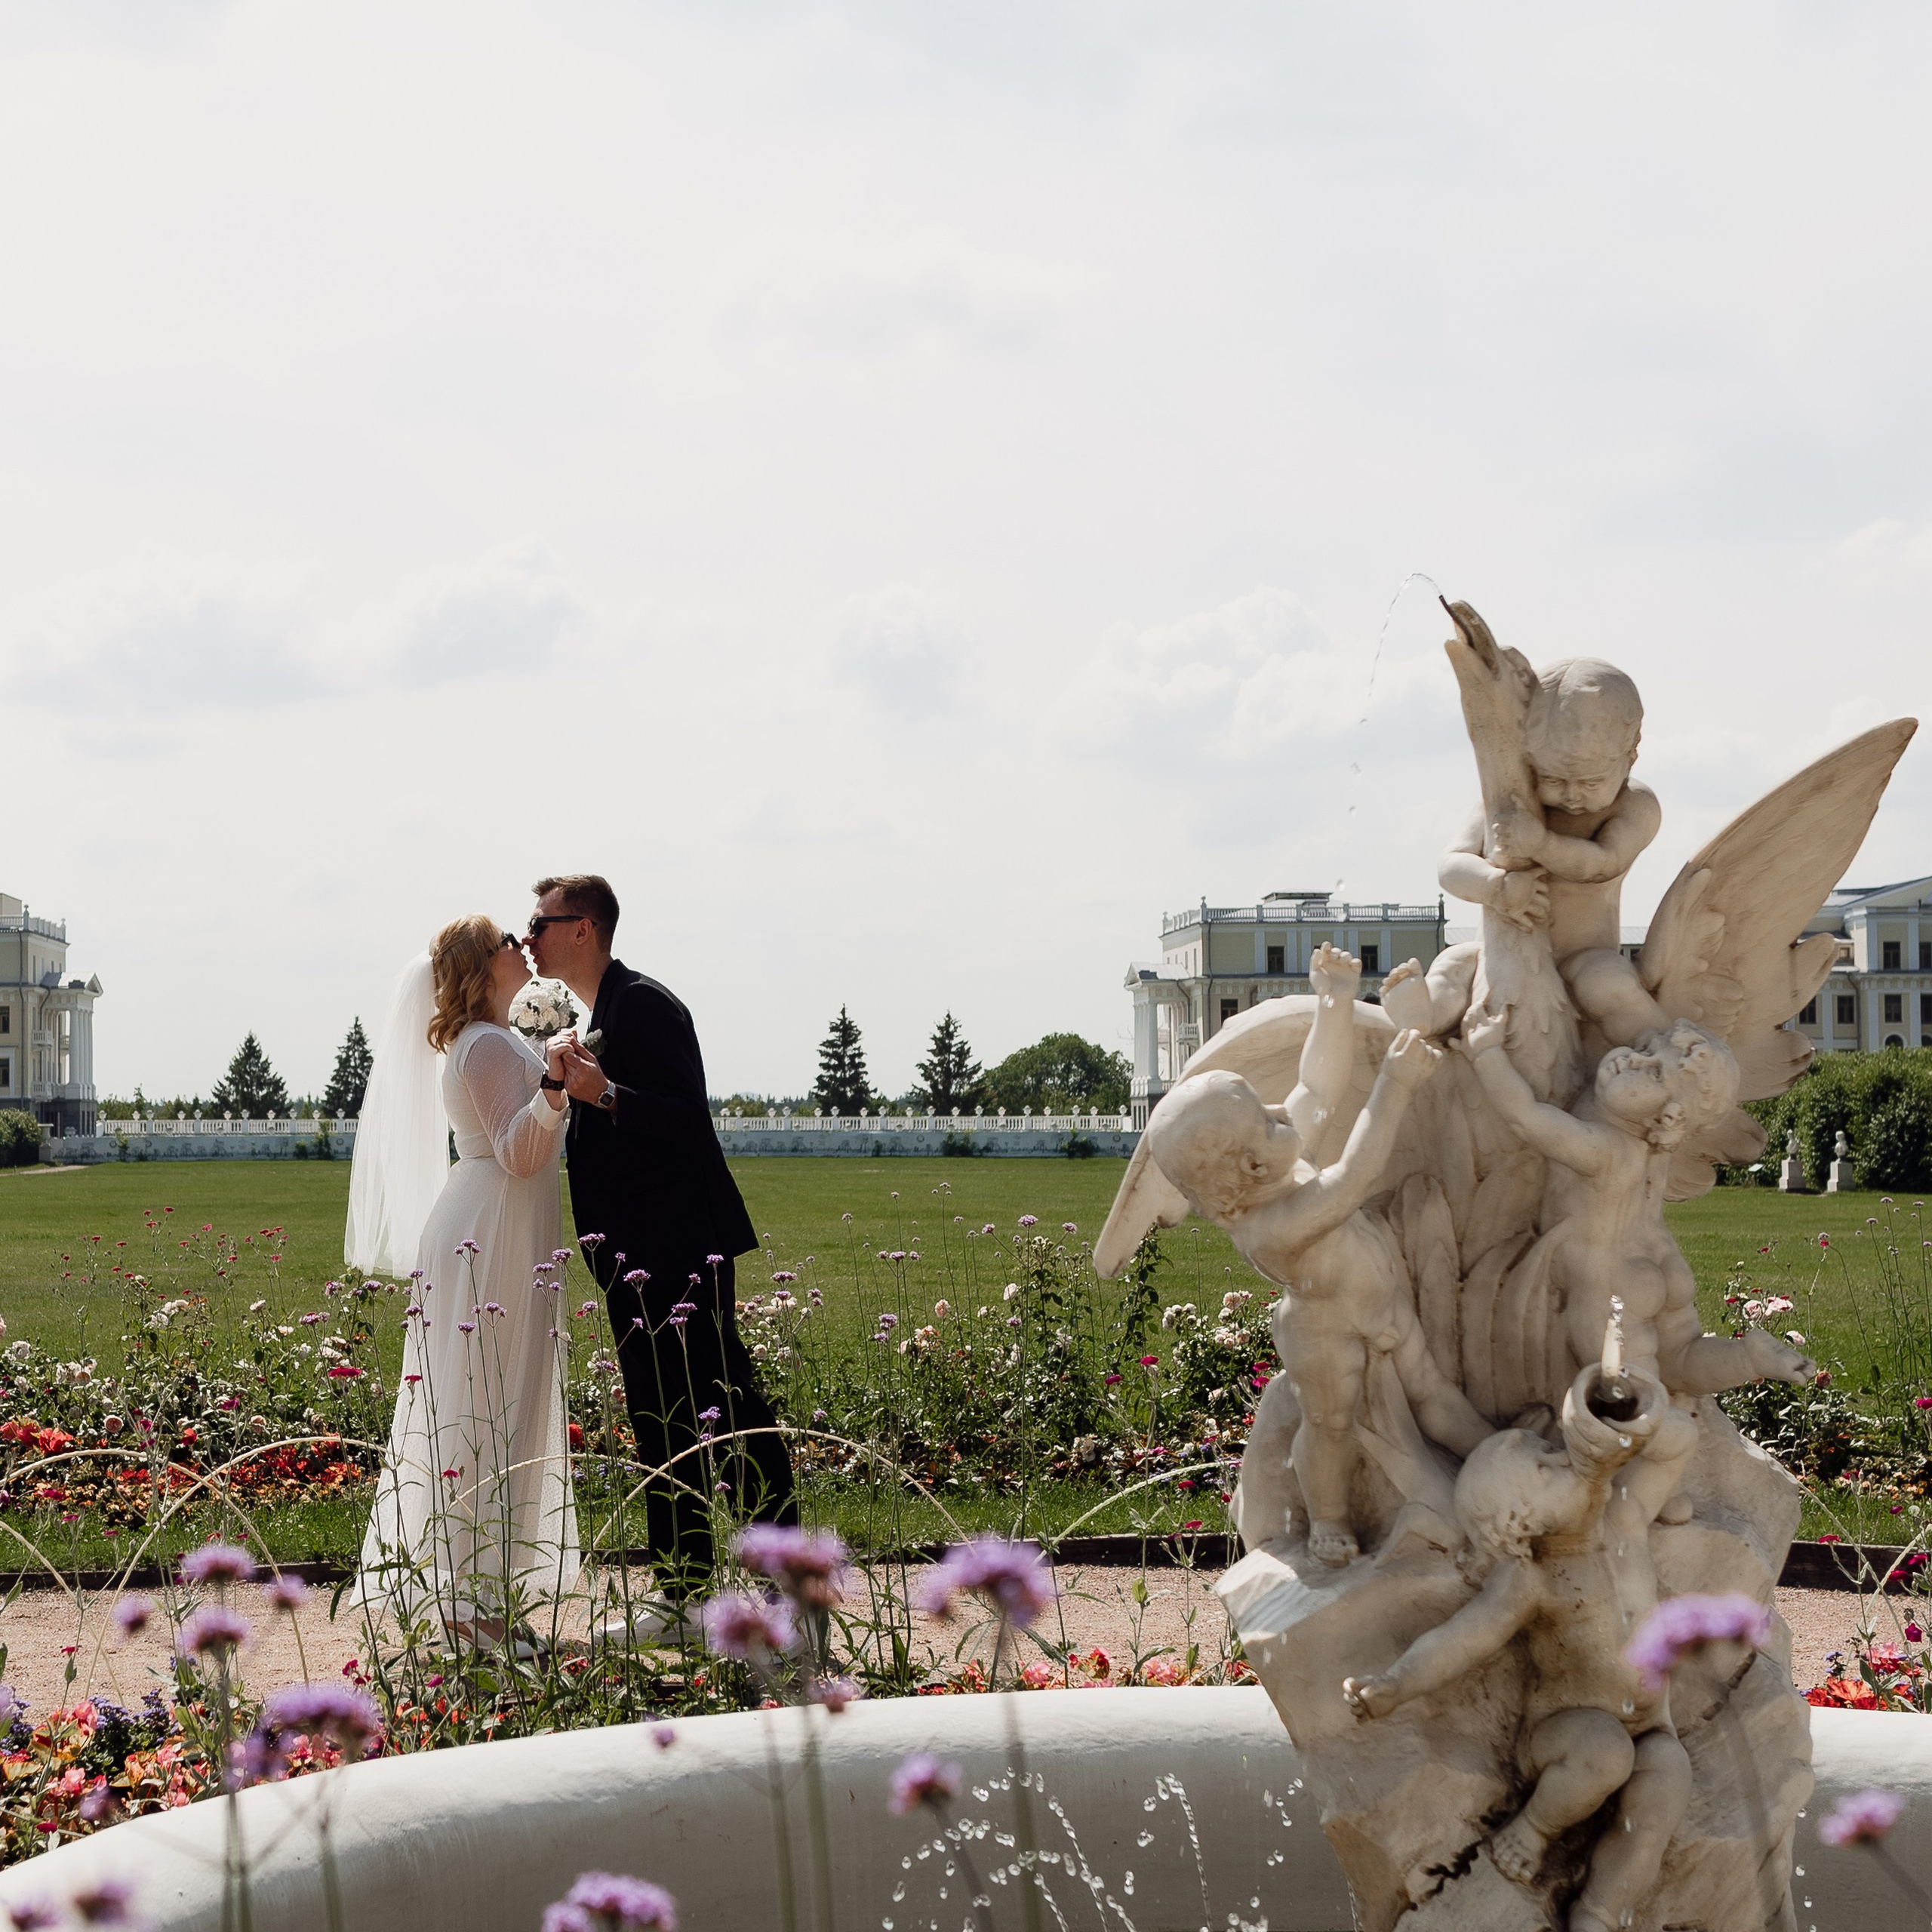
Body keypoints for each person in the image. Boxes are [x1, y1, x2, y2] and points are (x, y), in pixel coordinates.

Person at [524, 873, 796, 1618]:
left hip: (678, 1251)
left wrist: (604, 1094)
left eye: (540, 922)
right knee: (663, 1422)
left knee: (726, 1413)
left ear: (584, 927)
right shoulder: (600, 1010)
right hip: (637, 1258)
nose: (529, 937)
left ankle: (789, 1589)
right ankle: (683, 1593)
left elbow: (685, 1121)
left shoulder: (643, 1003)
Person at [1146, 981, 1487, 1569]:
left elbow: (1316, 1088)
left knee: (1431, 1390)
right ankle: (1328, 1516)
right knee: (1331, 1425)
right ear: (1252, 1165)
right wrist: (1394, 1084)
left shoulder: (1275, 1168)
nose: (1283, 1112)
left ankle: (1483, 1448)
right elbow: (1353, 1177)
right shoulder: (1272, 1224)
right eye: (1267, 1119)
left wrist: (1332, 1005)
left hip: (1377, 1301)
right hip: (1327, 1336)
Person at [346, 915, 577, 1638]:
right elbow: (519, 1153)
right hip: (489, 1228)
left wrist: (553, 1077)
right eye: (508, 939)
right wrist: (557, 1087)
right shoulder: (481, 1046)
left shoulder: (500, 1039)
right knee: (484, 1404)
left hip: (506, 1224)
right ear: (483, 964)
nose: (521, 945)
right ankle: (469, 1603)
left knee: (504, 1401)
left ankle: (484, 1592)